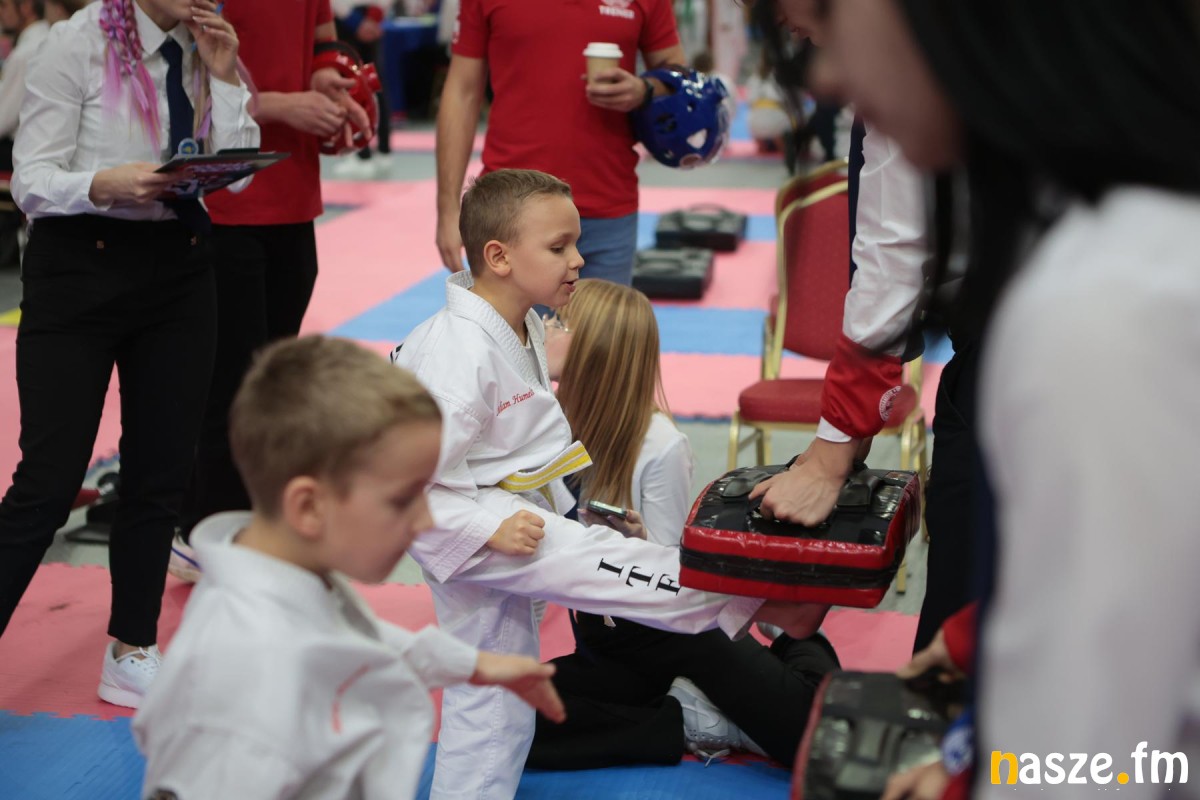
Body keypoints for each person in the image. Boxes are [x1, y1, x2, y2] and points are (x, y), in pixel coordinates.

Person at [815, 0, 1200, 796]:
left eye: (829, 21)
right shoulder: (1124, 250)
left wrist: (975, 772)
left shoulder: (1104, 308)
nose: (826, 74)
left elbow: (1102, 750)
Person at [393, 168, 830, 800]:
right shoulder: (456, 355)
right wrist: (487, 526)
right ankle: (762, 601)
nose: (578, 259)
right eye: (558, 246)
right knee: (617, 568)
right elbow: (404, 484)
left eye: (575, 243)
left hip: (499, 513)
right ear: (500, 257)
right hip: (472, 526)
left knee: (498, 696)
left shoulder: (521, 324)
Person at [133, 335, 566, 800]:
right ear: (309, 507)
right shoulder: (250, 680)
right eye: (403, 500)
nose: (426, 521)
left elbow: (357, 639)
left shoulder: (287, 577)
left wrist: (473, 664)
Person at [0, 0, 258, 707]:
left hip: (180, 269)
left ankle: (132, 647)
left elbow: (238, 176)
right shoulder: (75, 43)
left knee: (159, 474)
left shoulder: (204, 45)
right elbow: (30, 179)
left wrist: (226, 76)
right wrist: (101, 183)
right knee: (48, 482)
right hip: (78, 266)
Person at [526, 279, 840, 770]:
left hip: (677, 635)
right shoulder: (550, 422)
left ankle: (787, 634)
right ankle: (687, 720)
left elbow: (677, 573)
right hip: (608, 643)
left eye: (559, 322)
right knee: (514, 718)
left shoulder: (659, 444)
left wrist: (638, 541)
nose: (544, 327)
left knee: (818, 740)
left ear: (595, 347)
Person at [750, 0, 975, 653]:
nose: (778, 25)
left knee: (978, 590)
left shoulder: (905, 54)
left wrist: (830, 456)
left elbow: (894, 260)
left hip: (1048, 354)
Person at [178, 0, 372, 551]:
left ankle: (258, 522)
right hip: (221, 201)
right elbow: (177, 78)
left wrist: (331, 85)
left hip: (294, 195)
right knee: (229, 385)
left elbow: (322, 46)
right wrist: (285, 105)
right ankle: (204, 532)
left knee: (276, 385)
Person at [433, 0, 685, 284]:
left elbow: (678, 74)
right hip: (512, 209)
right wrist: (447, 209)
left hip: (608, 202)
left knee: (603, 316)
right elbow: (462, 91)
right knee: (506, 317)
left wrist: (644, 89)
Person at [0, 0, 49, 270]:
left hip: (21, 151)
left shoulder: (26, 52)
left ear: (27, 6)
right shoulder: (49, 37)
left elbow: (3, 119)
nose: (0, 13)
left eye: (4, 5)